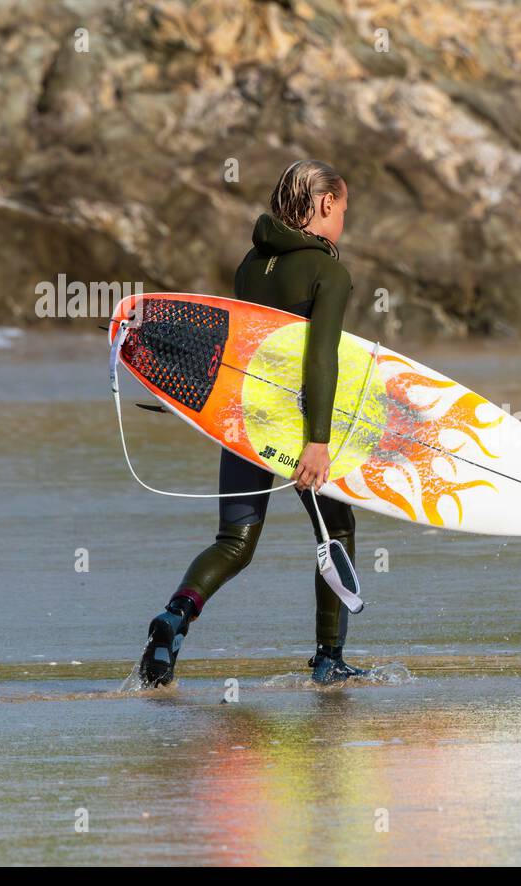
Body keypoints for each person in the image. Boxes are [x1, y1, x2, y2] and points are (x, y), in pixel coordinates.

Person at [138, 160, 364, 688]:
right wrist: (318, 441)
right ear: (326, 204)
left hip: (243, 417)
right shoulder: (328, 272)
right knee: (337, 531)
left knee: (234, 542)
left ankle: (176, 615)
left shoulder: (249, 265)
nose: (344, 221)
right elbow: (320, 360)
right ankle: (329, 658)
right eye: (344, 210)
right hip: (298, 424)